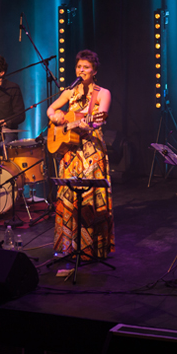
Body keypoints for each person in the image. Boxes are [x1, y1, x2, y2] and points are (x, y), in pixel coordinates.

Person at [46, 49, 114, 259]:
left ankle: (92, 248)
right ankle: (68, 246)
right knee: (68, 198)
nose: (81, 70)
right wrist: (58, 117)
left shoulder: (103, 93)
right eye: (79, 66)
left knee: (90, 198)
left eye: (86, 67)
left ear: (94, 70)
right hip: (70, 153)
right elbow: (50, 110)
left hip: (91, 151)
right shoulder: (69, 91)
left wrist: (88, 123)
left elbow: (98, 120)